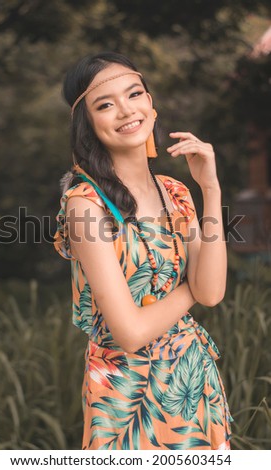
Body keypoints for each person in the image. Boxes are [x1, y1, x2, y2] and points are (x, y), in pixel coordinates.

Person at [54, 51, 233, 450]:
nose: (125, 110)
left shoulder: (176, 192)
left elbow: (215, 293)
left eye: (134, 94)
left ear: (151, 106)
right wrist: (193, 289)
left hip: (192, 381)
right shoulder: (87, 203)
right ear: (89, 124)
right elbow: (131, 332)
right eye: (105, 104)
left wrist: (210, 188)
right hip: (124, 397)